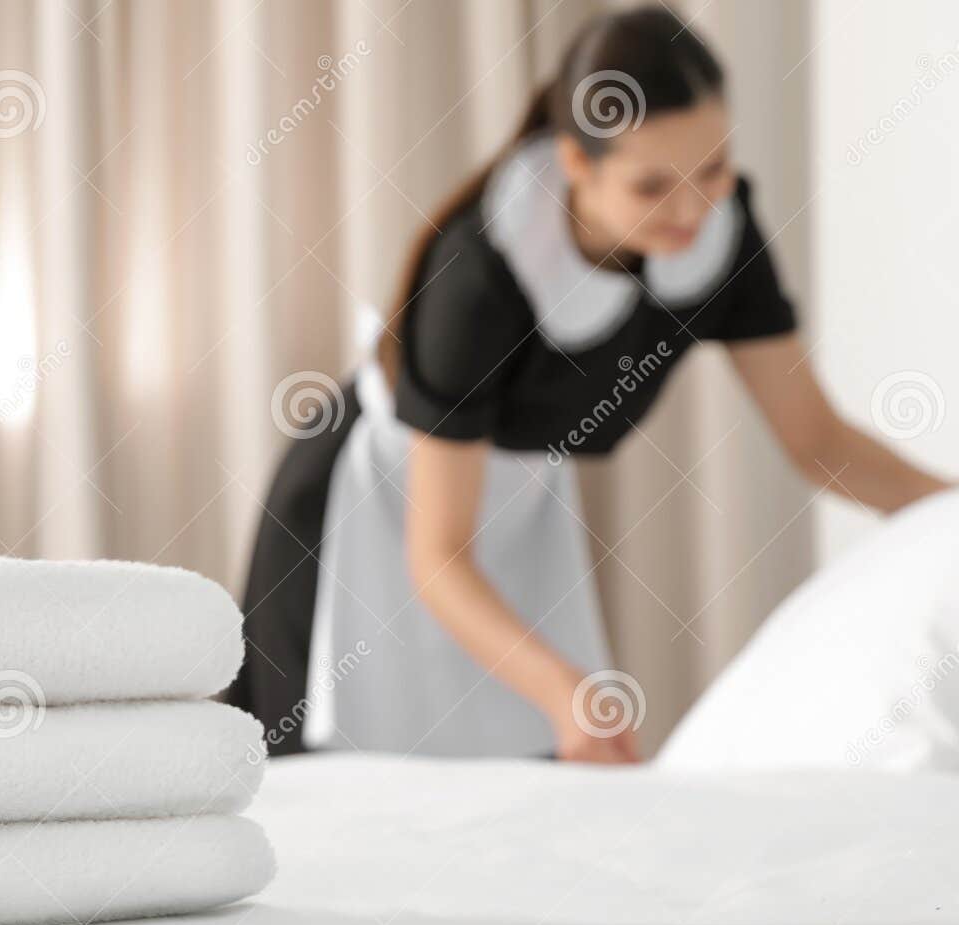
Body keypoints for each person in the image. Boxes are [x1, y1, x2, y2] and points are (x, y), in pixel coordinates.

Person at [229, 6, 947, 763]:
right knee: (353, 782)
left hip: (512, 513)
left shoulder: (721, 232)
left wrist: (952, 511)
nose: (691, 209)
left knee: (519, 774)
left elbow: (819, 441)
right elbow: (438, 555)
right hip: (370, 518)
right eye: (652, 185)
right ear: (577, 162)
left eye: (712, 169)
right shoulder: (480, 276)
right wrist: (565, 691)